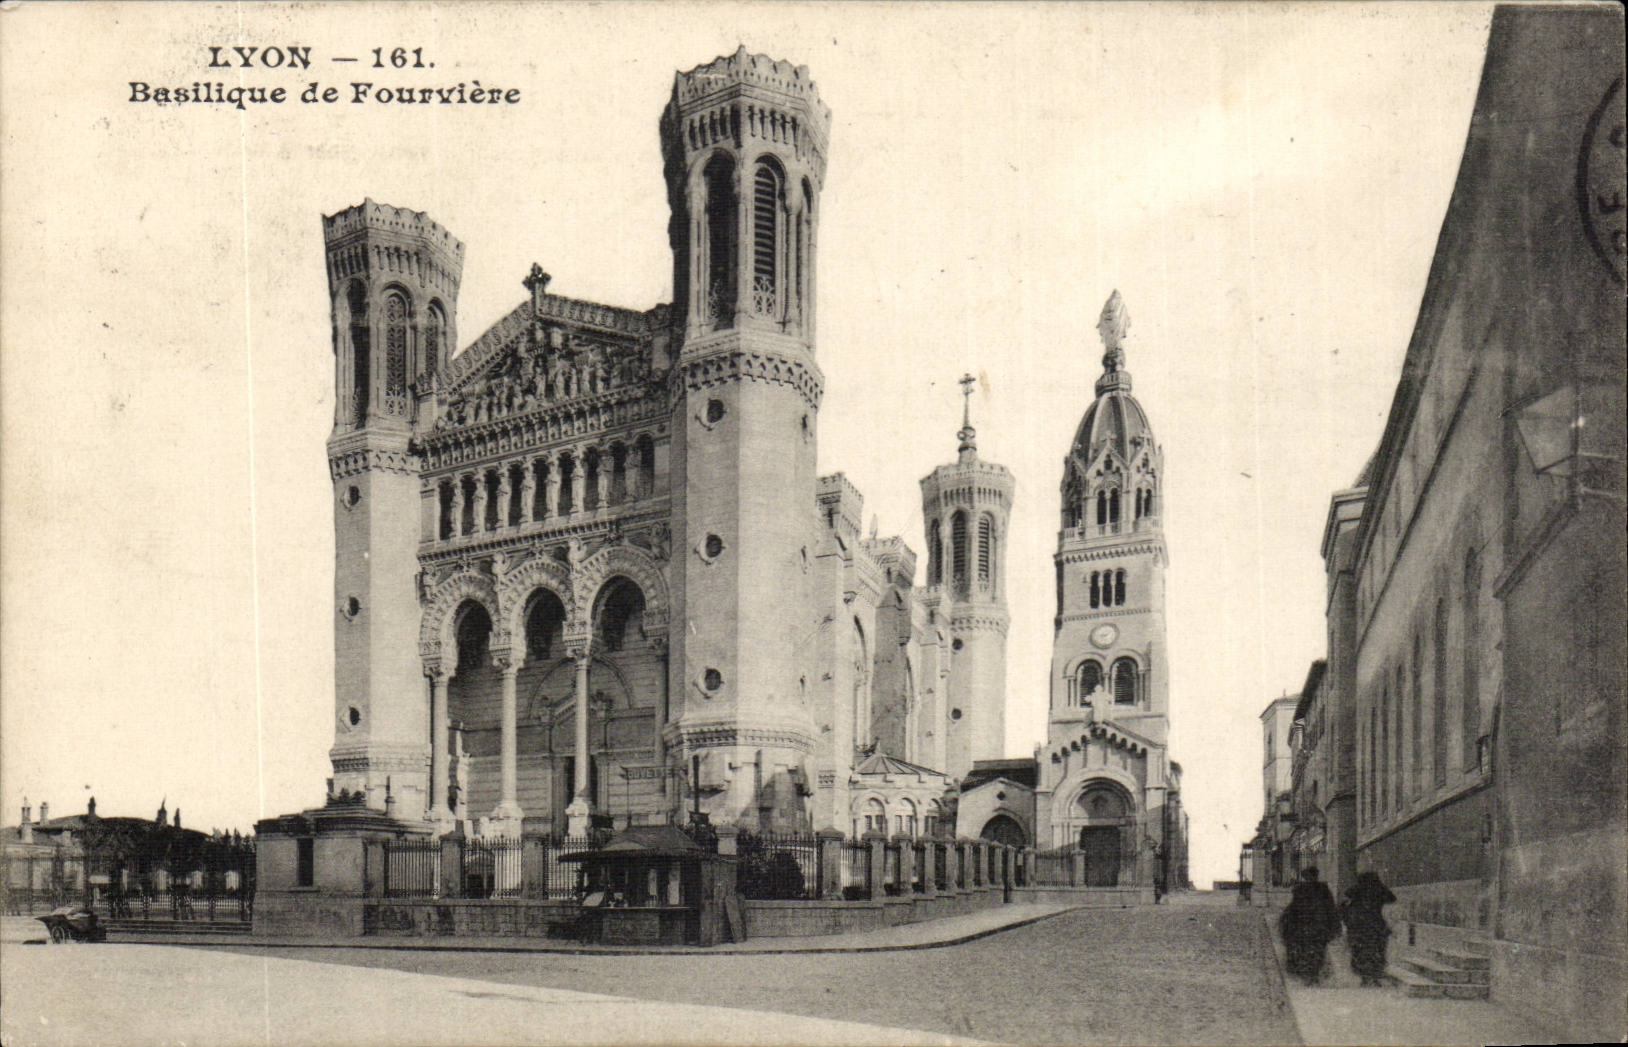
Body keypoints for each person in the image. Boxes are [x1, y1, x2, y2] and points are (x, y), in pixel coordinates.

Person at [1278, 865, 1341, 985]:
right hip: (1319, 926)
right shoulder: (1323, 889)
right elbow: (1330, 908)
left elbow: (1294, 909)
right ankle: (1314, 975)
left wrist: (1288, 925)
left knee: (1305, 949)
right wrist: (1333, 924)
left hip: (1304, 926)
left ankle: (1309, 975)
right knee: (1318, 950)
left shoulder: (1300, 889)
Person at [1342, 871, 1398, 986]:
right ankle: (1374, 975)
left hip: (1359, 926)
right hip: (1376, 925)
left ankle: (1364, 976)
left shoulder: (1357, 889)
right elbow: (1392, 898)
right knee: (1377, 950)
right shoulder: (1379, 889)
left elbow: (1347, 893)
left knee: (1360, 951)